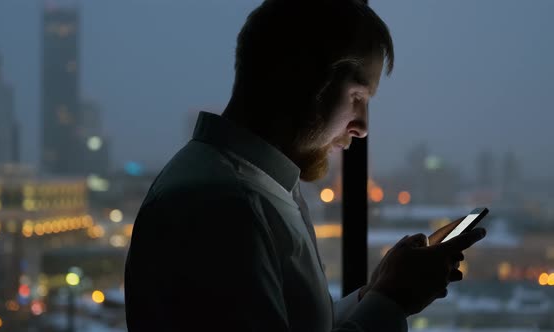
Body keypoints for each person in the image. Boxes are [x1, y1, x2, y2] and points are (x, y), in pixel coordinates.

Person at [124, 0, 487, 331]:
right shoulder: (223, 205)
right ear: (296, 76)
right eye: (357, 97)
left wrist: (376, 292)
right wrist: (392, 303)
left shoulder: (252, 187)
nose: (362, 127)